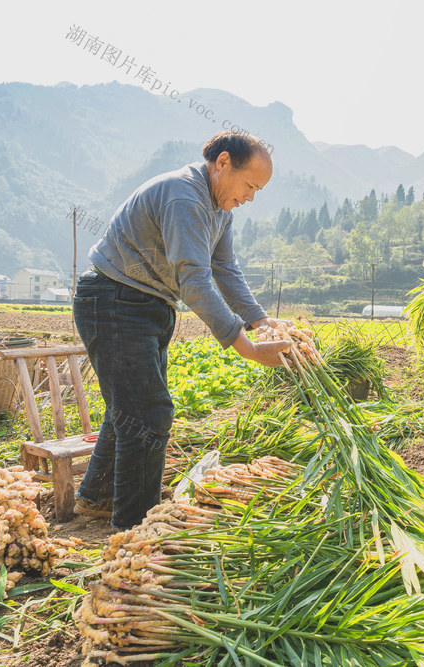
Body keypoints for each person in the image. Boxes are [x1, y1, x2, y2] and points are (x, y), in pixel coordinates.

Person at [72, 131, 295, 529]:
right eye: (250, 186)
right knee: (147, 415)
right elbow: (194, 278)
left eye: (258, 190)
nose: (250, 198)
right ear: (223, 163)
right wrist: (245, 347)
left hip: (147, 305)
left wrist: (259, 320)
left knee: (129, 409)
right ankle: (135, 528)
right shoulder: (183, 195)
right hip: (114, 301)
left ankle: (96, 496)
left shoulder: (218, 209)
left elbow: (224, 268)